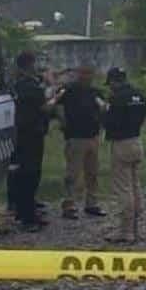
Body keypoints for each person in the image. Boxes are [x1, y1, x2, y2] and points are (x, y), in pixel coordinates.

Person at [55, 64, 107, 220]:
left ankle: (92, 203)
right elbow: (55, 104)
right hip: (75, 137)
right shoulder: (69, 90)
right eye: (83, 73)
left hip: (93, 136)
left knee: (92, 173)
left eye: (89, 73)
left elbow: (103, 109)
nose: (86, 76)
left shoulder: (96, 92)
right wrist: (62, 119)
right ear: (78, 74)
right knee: (72, 174)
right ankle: (69, 205)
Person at [102, 67, 146, 243]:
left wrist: (104, 110)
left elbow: (109, 122)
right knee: (135, 185)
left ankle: (126, 232)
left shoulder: (116, 99)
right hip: (137, 140)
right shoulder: (140, 96)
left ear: (114, 81)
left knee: (123, 188)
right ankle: (135, 228)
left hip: (121, 143)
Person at [12, 51, 56, 232]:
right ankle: (27, 217)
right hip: (30, 134)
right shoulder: (28, 85)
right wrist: (56, 93)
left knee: (25, 173)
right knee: (29, 174)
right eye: (35, 63)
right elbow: (45, 107)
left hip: (24, 133)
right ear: (29, 64)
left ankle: (25, 210)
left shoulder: (20, 83)